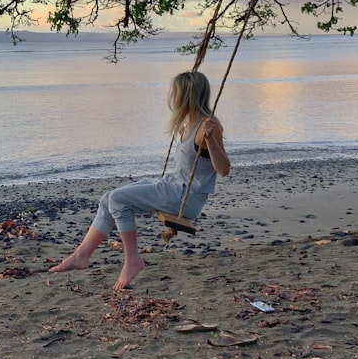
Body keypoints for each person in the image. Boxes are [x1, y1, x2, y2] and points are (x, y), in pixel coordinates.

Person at [49, 70, 231, 290]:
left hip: (186, 197)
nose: (171, 97)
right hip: (173, 186)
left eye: (175, 93)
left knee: (118, 199)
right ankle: (81, 256)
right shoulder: (187, 123)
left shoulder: (207, 127)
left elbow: (223, 169)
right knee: (108, 198)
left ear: (186, 95)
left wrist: (211, 141)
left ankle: (132, 261)